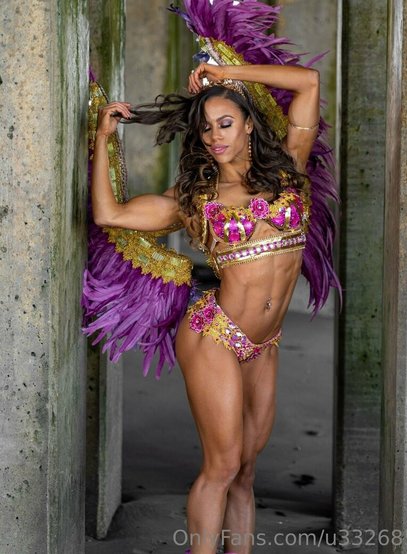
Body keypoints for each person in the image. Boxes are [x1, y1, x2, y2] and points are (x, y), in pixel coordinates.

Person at [91, 62, 322, 554]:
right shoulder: (197, 199)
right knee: (222, 465)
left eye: (226, 123)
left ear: (249, 125)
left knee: (246, 470)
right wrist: (104, 138)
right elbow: (109, 214)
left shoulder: (290, 170)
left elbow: (308, 82)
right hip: (213, 335)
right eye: (206, 128)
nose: (215, 136)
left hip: (263, 342)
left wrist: (226, 72)